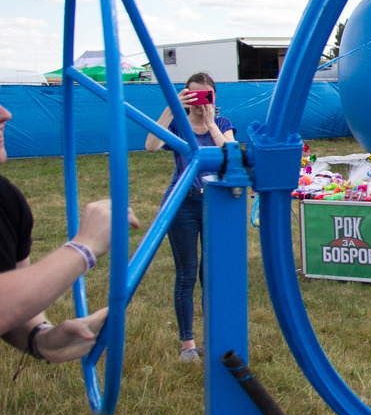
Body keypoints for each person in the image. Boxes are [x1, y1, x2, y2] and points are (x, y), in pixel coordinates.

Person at [1, 101, 141, 367]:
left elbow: (12, 299)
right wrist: (82, 248)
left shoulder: (7, 201)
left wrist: (40, 338)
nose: (6, 114)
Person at [145, 72, 235, 362]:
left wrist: (210, 124)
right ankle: (188, 345)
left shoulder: (221, 124)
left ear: (214, 97)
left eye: (206, 96)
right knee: (186, 273)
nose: (200, 102)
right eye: (193, 95)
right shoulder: (178, 124)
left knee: (210, 274)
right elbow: (151, 145)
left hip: (213, 203)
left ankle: (213, 339)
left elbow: (230, 154)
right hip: (182, 203)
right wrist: (172, 107)